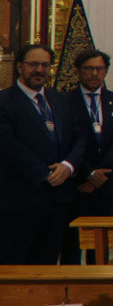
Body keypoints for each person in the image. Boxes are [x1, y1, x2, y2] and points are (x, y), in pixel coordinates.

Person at [0, 45, 86, 264]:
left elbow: (79, 137)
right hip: (22, 199)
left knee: (49, 264)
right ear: (20, 66)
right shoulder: (5, 102)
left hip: (60, 200)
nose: (39, 70)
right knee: (17, 265)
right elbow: (7, 145)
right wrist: (45, 173)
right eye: (33, 64)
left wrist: (68, 166)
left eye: (45, 65)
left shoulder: (61, 100)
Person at [62, 50, 113, 264]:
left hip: (106, 182)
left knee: (100, 242)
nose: (94, 74)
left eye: (99, 69)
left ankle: (99, 283)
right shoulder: (65, 101)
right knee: (72, 241)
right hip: (77, 181)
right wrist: (88, 173)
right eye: (88, 69)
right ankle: (69, 288)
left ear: (106, 71)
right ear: (79, 71)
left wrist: (100, 175)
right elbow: (66, 143)